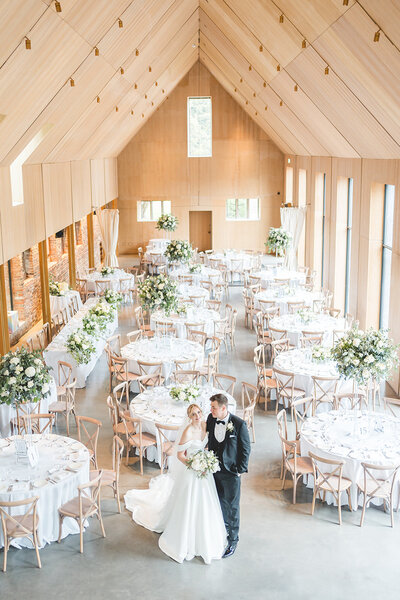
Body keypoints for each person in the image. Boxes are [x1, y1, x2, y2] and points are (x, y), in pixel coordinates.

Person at [124, 403, 227, 564]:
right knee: (188, 504)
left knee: (206, 502)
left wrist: (206, 460)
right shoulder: (187, 432)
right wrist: (195, 465)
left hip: (204, 472)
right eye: (193, 414)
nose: (197, 416)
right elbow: (180, 456)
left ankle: (205, 536)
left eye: (199, 412)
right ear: (189, 417)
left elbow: (207, 444)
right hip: (192, 470)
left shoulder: (205, 425)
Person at [206, 393, 251, 558]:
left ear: (223, 408)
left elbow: (246, 449)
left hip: (231, 473)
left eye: (214, 407)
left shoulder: (239, 424)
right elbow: (208, 440)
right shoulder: (211, 419)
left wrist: (240, 470)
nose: (211, 410)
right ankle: (219, 532)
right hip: (213, 470)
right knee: (217, 503)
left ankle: (233, 541)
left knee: (232, 507)